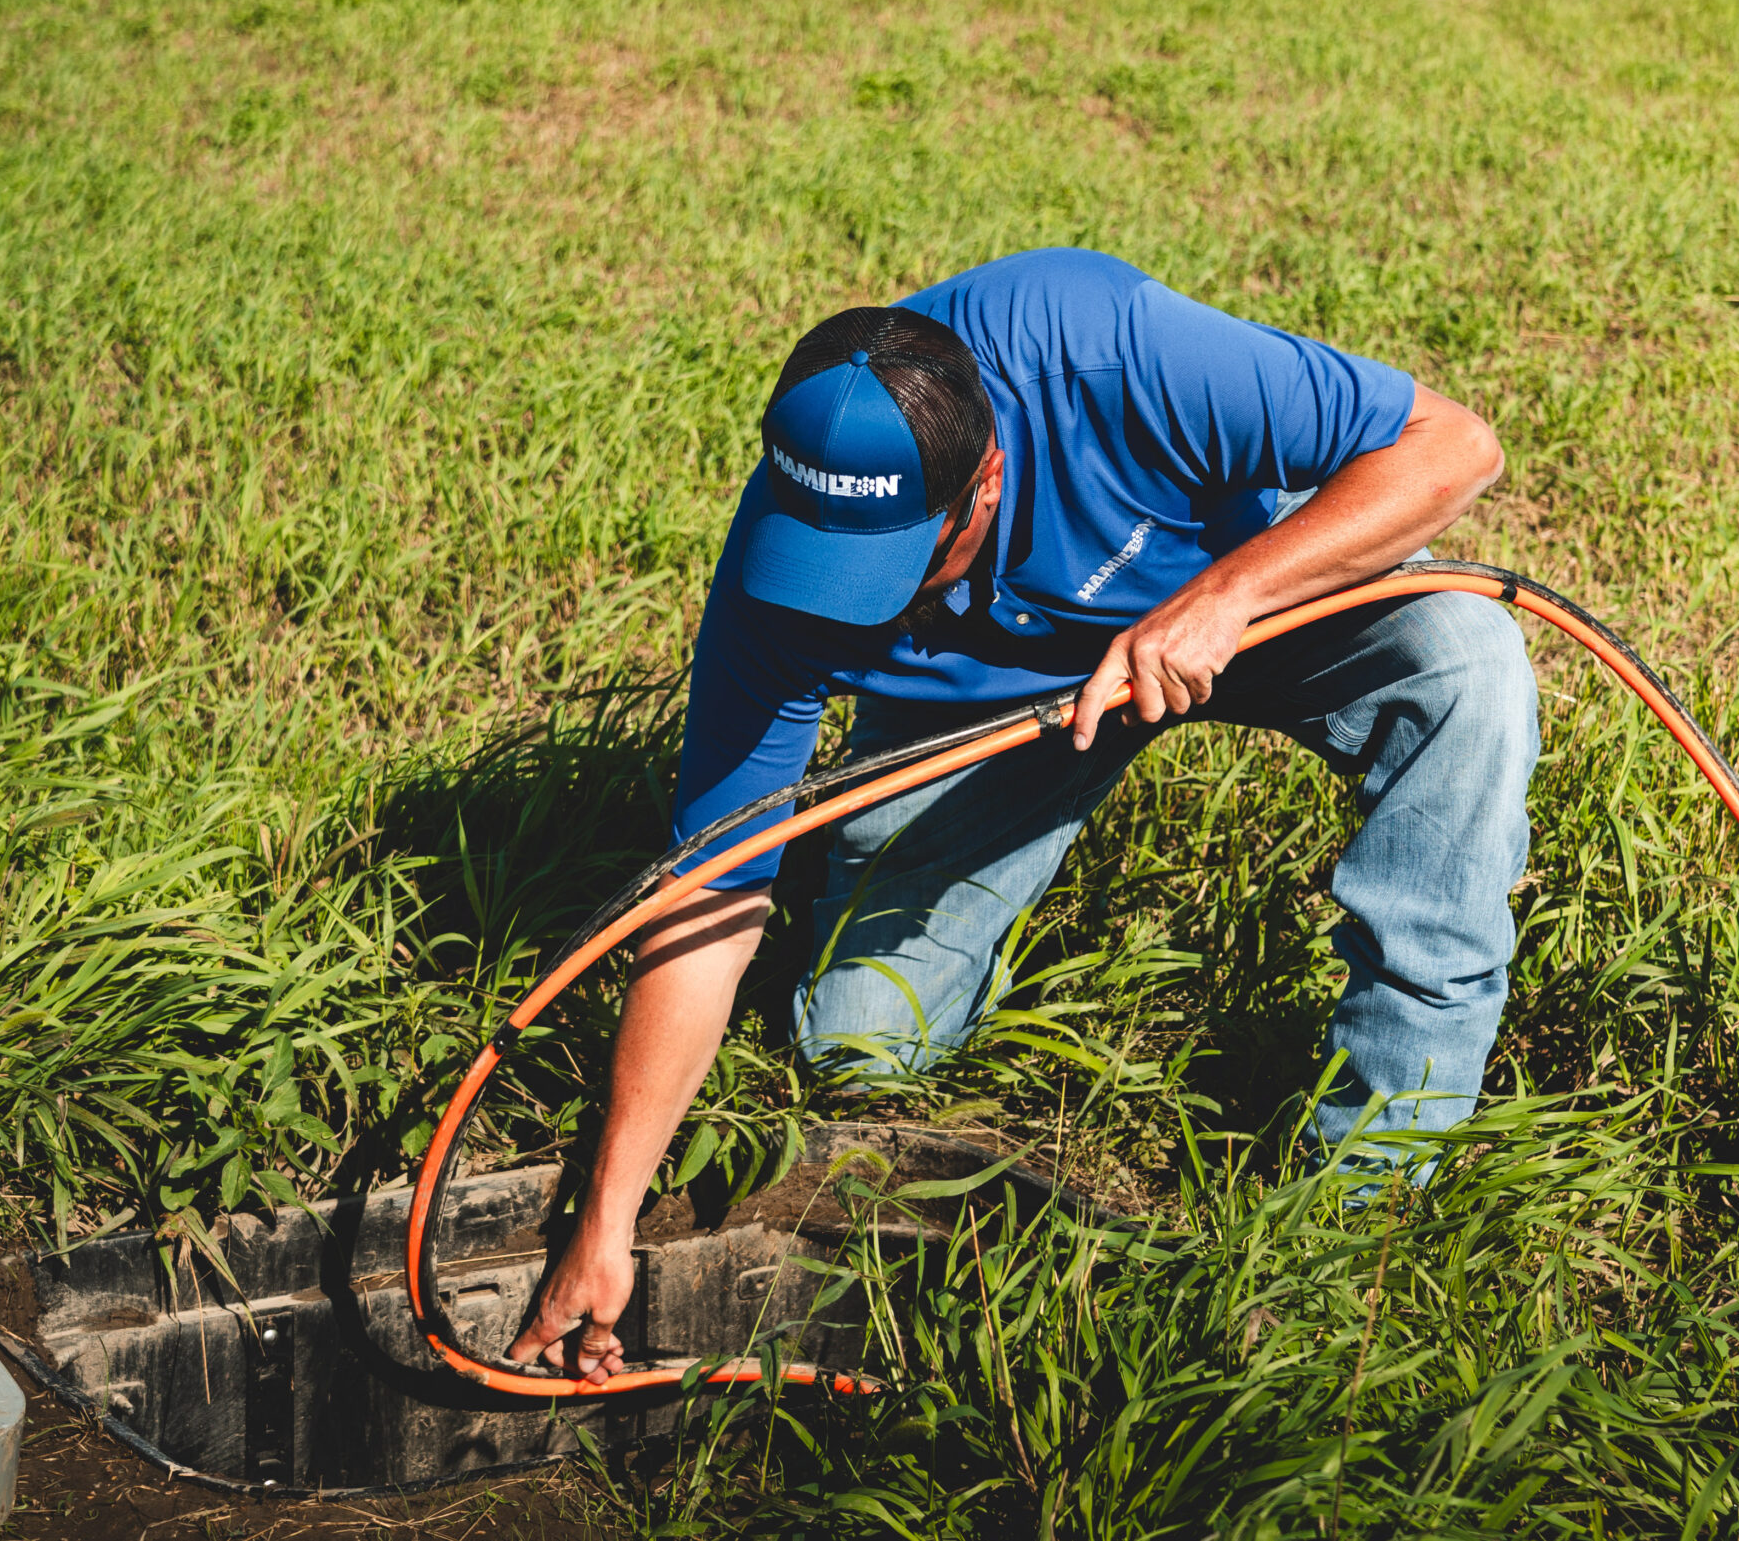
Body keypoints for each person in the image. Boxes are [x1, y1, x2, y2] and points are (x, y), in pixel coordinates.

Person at [507, 247, 1539, 1382]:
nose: (880, 604)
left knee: (1462, 656)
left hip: (1231, 595)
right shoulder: (781, 578)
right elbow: (709, 892)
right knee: (859, 1047)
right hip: (1013, 709)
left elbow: (1455, 445)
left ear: (988, 479)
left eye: (910, 562)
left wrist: (1221, 599)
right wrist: (607, 1218)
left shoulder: (1099, 344)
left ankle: (1361, 1220)